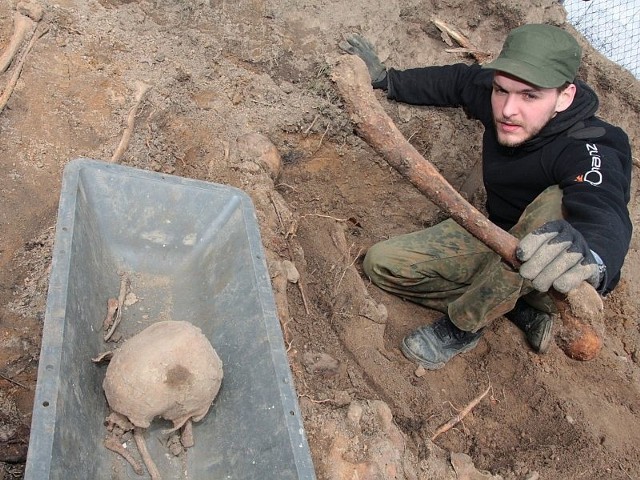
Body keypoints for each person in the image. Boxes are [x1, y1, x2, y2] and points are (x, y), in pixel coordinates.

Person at [340, 24, 632, 370]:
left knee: (557, 207)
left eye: (530, 96)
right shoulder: (502, 97)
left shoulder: (592, 144)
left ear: (564, 96)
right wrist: (389, 79)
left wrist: (594, 260)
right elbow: (460, 82)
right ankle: (518, 308)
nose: (508, 109)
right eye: (501, 90)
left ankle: (464, 326)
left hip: (547, 270)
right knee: (380, 264)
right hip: (495, 233)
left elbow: (605, 209)